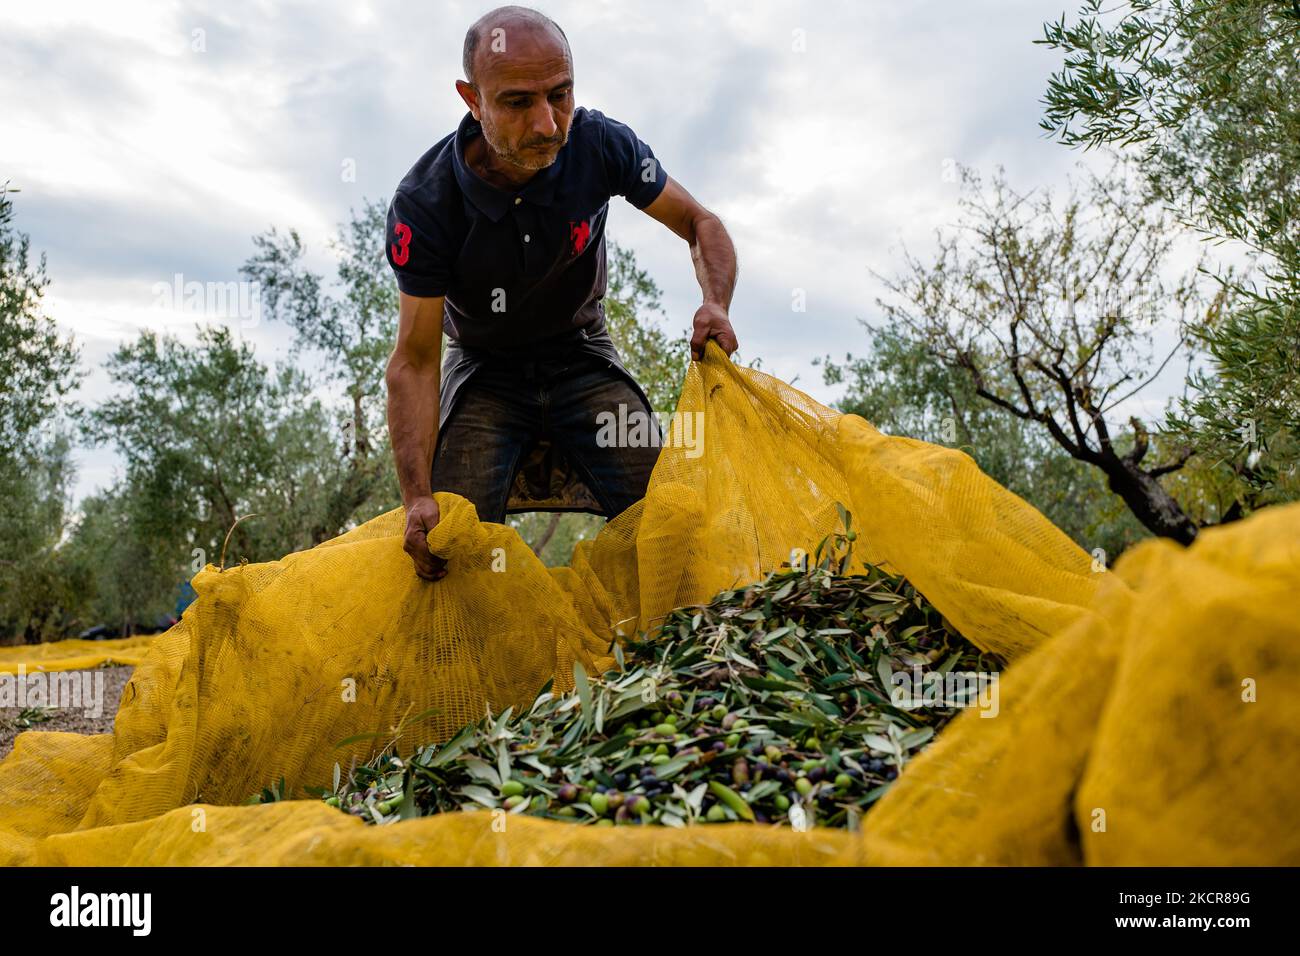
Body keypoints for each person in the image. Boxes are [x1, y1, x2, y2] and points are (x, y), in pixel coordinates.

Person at [384, 5, 739, 581]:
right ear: (472, 101)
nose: (548, 124)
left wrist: (715, 302)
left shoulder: (600, 144)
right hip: (483, 369)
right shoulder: (425, 203)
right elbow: (416, 362)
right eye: (518, 102)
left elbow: (701, 223)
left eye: (561, 94)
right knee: (450, 544)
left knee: (669, 524)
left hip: (582, 355)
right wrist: (416, 496)